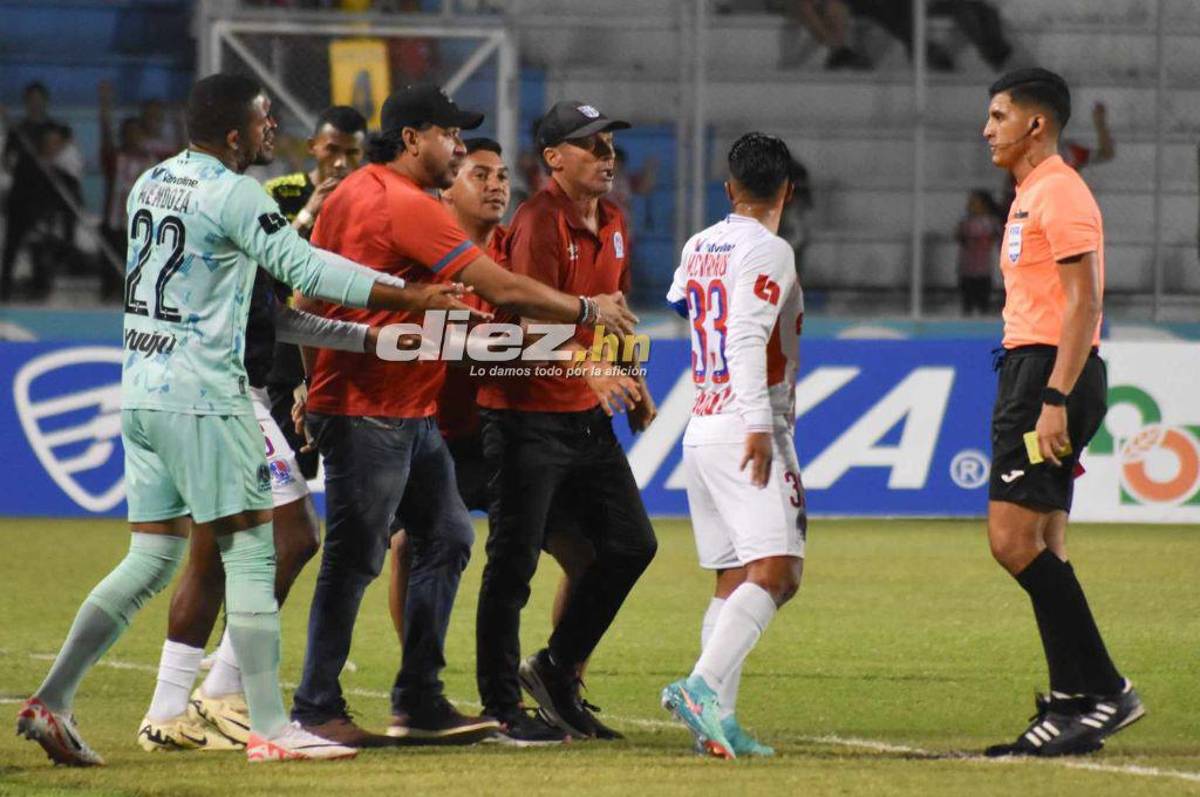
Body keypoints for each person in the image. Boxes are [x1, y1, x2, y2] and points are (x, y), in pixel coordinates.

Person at [15, 72, 478, 766]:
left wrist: (371, 333)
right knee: (256, 554)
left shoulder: (153, 183)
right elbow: (303, 264)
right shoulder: (237, 194)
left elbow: (255, 300)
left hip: (142, 391)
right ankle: (271, 725)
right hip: (207, 396)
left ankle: (52, 697)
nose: (272, 132)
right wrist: (409, 296)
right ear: (236, 134)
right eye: (264, 121)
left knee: (150, 557)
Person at [291, 84, 637, 746]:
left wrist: (314, 382)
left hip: (401, 409)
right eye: (452, 135)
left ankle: (418, 699)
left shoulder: (348, 194)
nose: (459, 146)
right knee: (356, 554)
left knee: (447, 534)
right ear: (413, 138)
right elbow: (500, 286)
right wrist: (587, 311)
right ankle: (315, 705)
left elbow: (310, 291)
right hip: (374, 408)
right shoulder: (407, 205)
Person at [385, 139, 598, 719]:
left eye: (503, 176)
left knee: (586, 555)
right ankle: (419, 684)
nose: (497, 186)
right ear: (446, 188)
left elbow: (542, 324)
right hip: (438, 435)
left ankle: (563, 679)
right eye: (480, 175)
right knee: (413, 545)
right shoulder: (425, 261)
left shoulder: (511, 254)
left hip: (507, 432)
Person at [474, 100, 658, 745]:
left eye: (610, 146)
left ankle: (553, 670)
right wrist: (591, 370)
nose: (608, 158)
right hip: (525, 418)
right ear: (554, 158)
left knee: (633, 545)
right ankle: (501, 705)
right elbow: (524, 324)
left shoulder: (613, 220)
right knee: (513, 565)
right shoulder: (538, 223)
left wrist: (629, 375)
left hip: (582, 418)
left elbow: (612, 314)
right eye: (593, 146)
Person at [980, 67, 1144, 757]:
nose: (987, 128)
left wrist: (1052, 397)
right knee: (1045, 543)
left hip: (1050, 372)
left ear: (1035, 124)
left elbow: (1085, 302)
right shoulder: (1031, 194)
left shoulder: (1061, 193)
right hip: (1036, 367)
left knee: (1011, 541)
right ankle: (1075, 701)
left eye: (998, 115)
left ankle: (1105, 689)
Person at [659, 133, 806, 760]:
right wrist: (756, 424)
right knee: (779, 572)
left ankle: (720, 725)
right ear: (787, 191)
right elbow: (746, 336)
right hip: (748, 424)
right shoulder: (770, 249)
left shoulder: (699, 244)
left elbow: (680, 303)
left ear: (729, 189)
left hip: (701, 425)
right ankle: (701, 689)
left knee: (733, 578)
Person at [263, 106, 368, 480]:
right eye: (332, 150)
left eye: (352, 153)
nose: (341, 162)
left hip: (351, 349)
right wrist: (309, 213)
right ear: (313, 146)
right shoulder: (280, 193)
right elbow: (265, 266)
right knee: (291, 474)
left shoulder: (372, 204)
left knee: (358, 479)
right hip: (290, 352)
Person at [99, 82, 156, 301]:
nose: (133, 137)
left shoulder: (151, 162)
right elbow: (105, 136)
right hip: (114, 225)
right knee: (111, 276)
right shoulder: (115, 158)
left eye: (137, 132)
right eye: (129, 133)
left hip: (140, 227)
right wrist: (105, 106)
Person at [955, 188, 1003, 316]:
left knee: (983, 304)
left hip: (983, 271)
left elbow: (995, 237)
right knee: (967, 304)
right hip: (967, 270)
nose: (970, 205)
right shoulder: (966, 221)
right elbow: (959, 237)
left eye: (974, 202)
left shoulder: (990, 222)